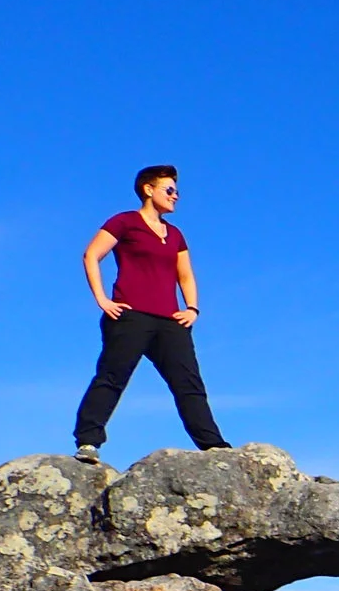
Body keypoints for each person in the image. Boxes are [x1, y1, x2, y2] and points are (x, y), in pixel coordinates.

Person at [72, 164, 229, 464]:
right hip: (130, 316)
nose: (175, 196)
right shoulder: (125, 222)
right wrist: (102, 299)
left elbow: (185, 275)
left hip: (170, 322)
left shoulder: (175, 234)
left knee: (189, 385)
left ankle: (214, 446)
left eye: (176, 191)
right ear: (148, 189)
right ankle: (88, 441)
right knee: (112, 377)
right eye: (169, 190)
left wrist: (192, 308)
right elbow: (91, 254)